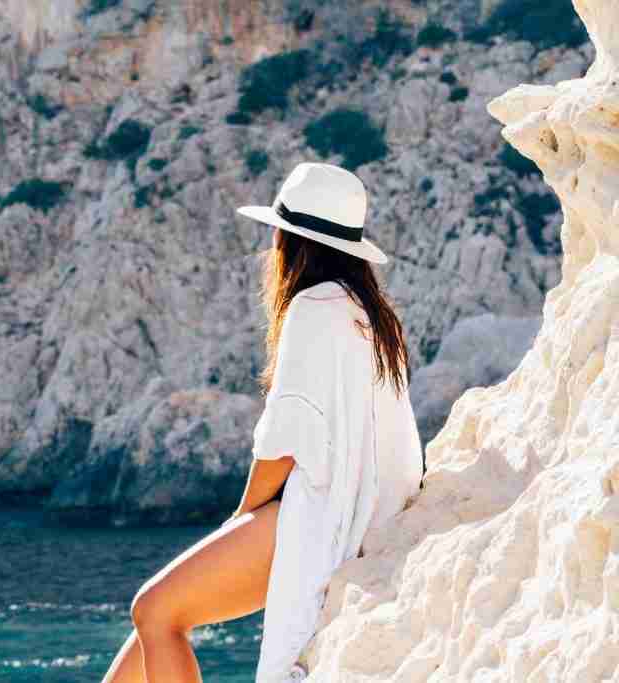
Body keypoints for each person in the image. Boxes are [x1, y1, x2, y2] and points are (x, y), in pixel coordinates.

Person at [99, 162, 425, 683]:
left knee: (154, 611)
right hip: (364, 515)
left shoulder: (313, 307)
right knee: (153, 622)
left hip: (316, 515)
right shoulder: (374, 317)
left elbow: (285, 439)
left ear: (292, 241)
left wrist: (240, 514)